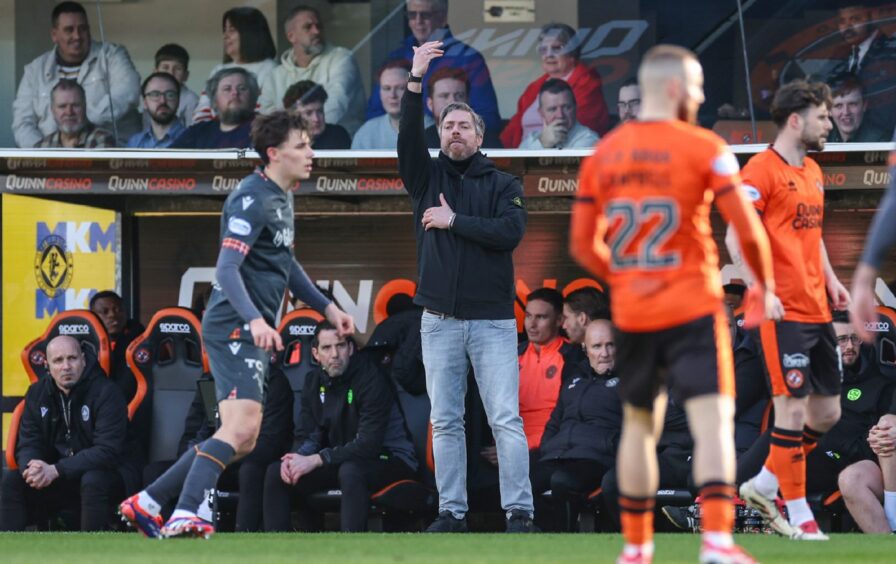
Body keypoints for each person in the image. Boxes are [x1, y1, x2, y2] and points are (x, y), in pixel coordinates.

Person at [570, 44, 776, 563]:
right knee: (711, 423)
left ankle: (637, 550)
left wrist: (627, 277)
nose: (702, 96)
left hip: (636, 314)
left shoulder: (604, 153)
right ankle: (716, 543)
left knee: (640, 427)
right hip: (692, 308)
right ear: (676, 88)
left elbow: (580, 244)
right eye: (698, 86)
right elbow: (747, 230)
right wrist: (764, 287)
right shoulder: (703, 146)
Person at [119, 110, 354, 539]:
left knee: (242, 438)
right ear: (273, 153)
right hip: (232, 326)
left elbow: (286, 263)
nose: (310, 153)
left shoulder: (283, 196)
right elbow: (226, 270)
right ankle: (186, 512)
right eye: (301, 145)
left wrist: (328, 307)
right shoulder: (251, 196)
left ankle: (149, 500)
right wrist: (256, 321)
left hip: (248, 329)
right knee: (241, 429)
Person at [398, 41, 534, 533]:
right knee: (447, 420)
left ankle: (519, 512)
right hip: (438, 321)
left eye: (464, 126)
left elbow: (509, 233)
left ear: (479, 135)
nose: (455, 131)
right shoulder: (424, 175)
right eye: (448, 125)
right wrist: (416, 79)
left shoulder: (504, 184)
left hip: (494, 321)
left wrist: (454, 221)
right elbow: (407, 136)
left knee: (505, 420)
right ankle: (450, 512)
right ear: (440, 134)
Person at [729, 79, 850, 541]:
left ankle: (762, 483)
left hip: (817, 308)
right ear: (796, 119)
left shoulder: (814, 171)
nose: (829, 123)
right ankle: (799, 514)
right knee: (792, 411)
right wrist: (763, 287)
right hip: (780, 313)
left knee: (827, 414)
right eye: (823, 116)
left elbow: (811, 235)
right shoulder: (759, 171)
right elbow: (737, 237)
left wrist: (834, 281)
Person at [262, 321, 418, 532]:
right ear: (316, 354)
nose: (335, 354)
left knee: (351, 470)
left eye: (341, 346)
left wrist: (318, 459)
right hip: (341, 458)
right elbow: (309, 436)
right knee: (276, 473)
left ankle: (350, 552)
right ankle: (277, 555)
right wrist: (295, 458)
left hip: (390, 458)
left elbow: (368, 445)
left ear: (351, 349)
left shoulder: (371, 378)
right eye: (327, 348)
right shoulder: (313, 381)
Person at [0, 336, 128, 531]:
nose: (66, 366)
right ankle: (9, 551)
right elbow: (28, 441)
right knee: (12, 479)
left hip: (106, 474)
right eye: (58, 361)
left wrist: (57, 469)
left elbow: (107, 451)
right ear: (47, 365)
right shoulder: (37, 393)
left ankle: (93, 552)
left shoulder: (107, 392)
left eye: (72, 358)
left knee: (92, 479)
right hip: (57, 475)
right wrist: (32, 466)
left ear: (83, 360)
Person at [531, 319, 622, 532]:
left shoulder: (630, 379)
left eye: (611, 345)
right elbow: (555, 420)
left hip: (598, 456)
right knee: (520, 480)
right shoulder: (575, 377)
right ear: (585, 348)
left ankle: (566, 543)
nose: (605, 353)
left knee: (562, 481)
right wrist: (547, 447)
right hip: (560, 453)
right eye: (597, 346)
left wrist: (612, 447)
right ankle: (536, 541)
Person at [12, 1, 140, 148]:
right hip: (50, 163)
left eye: (82, 28)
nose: (77, 36)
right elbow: (22, 124)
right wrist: (45, 155)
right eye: (69, 30)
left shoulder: (112, 55)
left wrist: (79, 121)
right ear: (54, 35)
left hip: (114, 155)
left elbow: (130, 90)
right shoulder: (34, 71)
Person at [369, 0, 501, 137]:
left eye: (425, 15)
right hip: (397, 147)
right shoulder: (396, 58)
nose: (418, 21)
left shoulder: (468, 58)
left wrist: (438, 129)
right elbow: (375, 113)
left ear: (443, 17)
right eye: (412, 14)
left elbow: (488, 119)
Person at [500, 22, 610, 149]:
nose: (549, 54)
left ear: (572, 52)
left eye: (556, 48)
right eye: (543, 49)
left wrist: (539, 146)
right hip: (523, 156)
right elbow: (512, 130)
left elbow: (576, 133)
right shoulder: (535, 87)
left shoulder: (587, 83)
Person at [259, 5, 365, 135]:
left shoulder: (342, 58)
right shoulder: (275, 76)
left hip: (339, 147)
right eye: (308, 27)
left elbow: (335, 105)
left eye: (319, 26)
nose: (316, 31)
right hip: (292, 148)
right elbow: (266, 118)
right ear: (291, 36)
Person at [517, 288, 583, 450]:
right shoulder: (512, 355)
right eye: (528, 316)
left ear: (559, 320)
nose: (531, 324)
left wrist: (527, 445)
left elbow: (572, 417)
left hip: (550, 445)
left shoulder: (573, 357)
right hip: (509, 440)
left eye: (541, 317)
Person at [192, 7, 277, 124]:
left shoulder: (270, 69)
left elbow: (264, 114)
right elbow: (202, 110)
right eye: (225, 30)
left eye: (231, 30)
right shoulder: (218, 70)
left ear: (250, 34)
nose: (225, 36)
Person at [827, 3, 896, 134]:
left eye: (855, 19)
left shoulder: (891, 51)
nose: (847, 27)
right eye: (842, 21)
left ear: (872, 17)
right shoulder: (842, 55)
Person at [171, 68, 257, 150]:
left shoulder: (265, 129)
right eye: (227, 89)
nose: (235, 93)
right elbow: (165, 160)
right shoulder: (198, 132)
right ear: (214, 100)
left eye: (242, 88)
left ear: (253, 97)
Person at [423, 67, 502, 149]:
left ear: (468, 101)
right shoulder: (420, 141)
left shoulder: (487, 139)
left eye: (459, 95)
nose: (452, 101)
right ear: (430, 104)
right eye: (444, 96)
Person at [518, 79, 600, 149]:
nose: (560, 115)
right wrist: (543, 143)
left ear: (575, 108)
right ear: (541, 113)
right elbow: (518, 166)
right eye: (552, 109)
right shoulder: (531, 139)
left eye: (566, 107)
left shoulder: (589, 139)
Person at [352, 60, 413, 150]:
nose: (393, 95)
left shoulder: (431, 130)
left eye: (401, 88)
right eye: (386, 88)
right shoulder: (366, 132)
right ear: (379, 93)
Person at [36, 79, 114, 148]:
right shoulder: (42, 146)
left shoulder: (102, 140)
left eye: (75, 105)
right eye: (62, 106)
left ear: (85, 107)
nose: (69, 112)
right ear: (52, 110)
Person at [282, 80, 351, 150]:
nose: (316, 119)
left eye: (320, 111)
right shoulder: (282, 140)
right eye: (308, 113)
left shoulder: (338, 135)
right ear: (293, 116)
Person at [127, 72, 186, 148]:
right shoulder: (135, 142)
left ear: (178, 100)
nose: (163, 101)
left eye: (170, 95)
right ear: (145, 103)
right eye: (155, 94)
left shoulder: (195, 140)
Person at [827, 73, 889, 143]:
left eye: (852, 104)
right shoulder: (822, 137)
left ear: (864, 105)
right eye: (838, 106)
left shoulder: (880, 141)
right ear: (829, 110)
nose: (846, 112)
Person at [152, 44, 199, 127]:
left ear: (186, 75)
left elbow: (194, 133)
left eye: (177, 69)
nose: (171, 73)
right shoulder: (150, 97)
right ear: (155, 73)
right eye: (165, 68)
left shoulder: (190, 100)